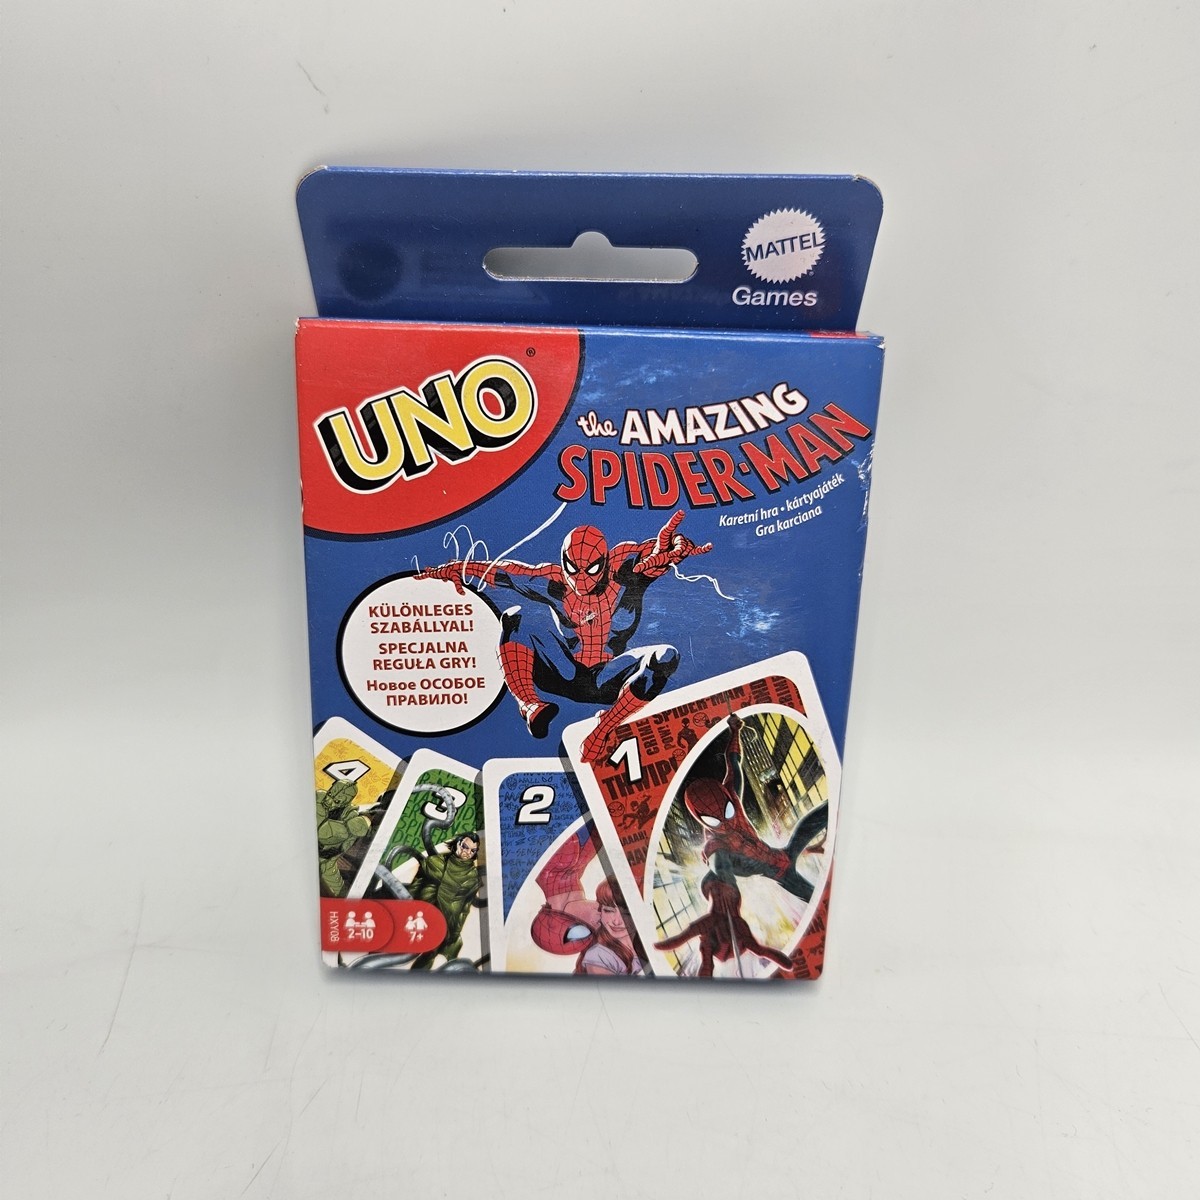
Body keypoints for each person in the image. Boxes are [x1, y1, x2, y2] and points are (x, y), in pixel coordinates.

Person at [417, 510, 711, 760]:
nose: (581, 579)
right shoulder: (552, 581)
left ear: (605, 562)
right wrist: (454, 568)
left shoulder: (624, 568)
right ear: (563, 561)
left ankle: (603, 729)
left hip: (609, 679)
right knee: (516, 616)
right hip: (564, 672)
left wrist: (678, 545)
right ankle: (529, 705)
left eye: (591, 569)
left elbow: (658, 550)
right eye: (573, 569)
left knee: (665, 657)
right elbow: (503, 572)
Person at [406, 832, 482, 970]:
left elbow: (465, 907)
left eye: (472, 850)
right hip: (421, 913)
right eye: (465, 846)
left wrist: (455, 930)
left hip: (447, 921)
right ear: (457, 843)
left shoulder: (473, 877)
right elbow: (416, 885)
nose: (467, 852)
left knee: (429, 954)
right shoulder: (435, 862)